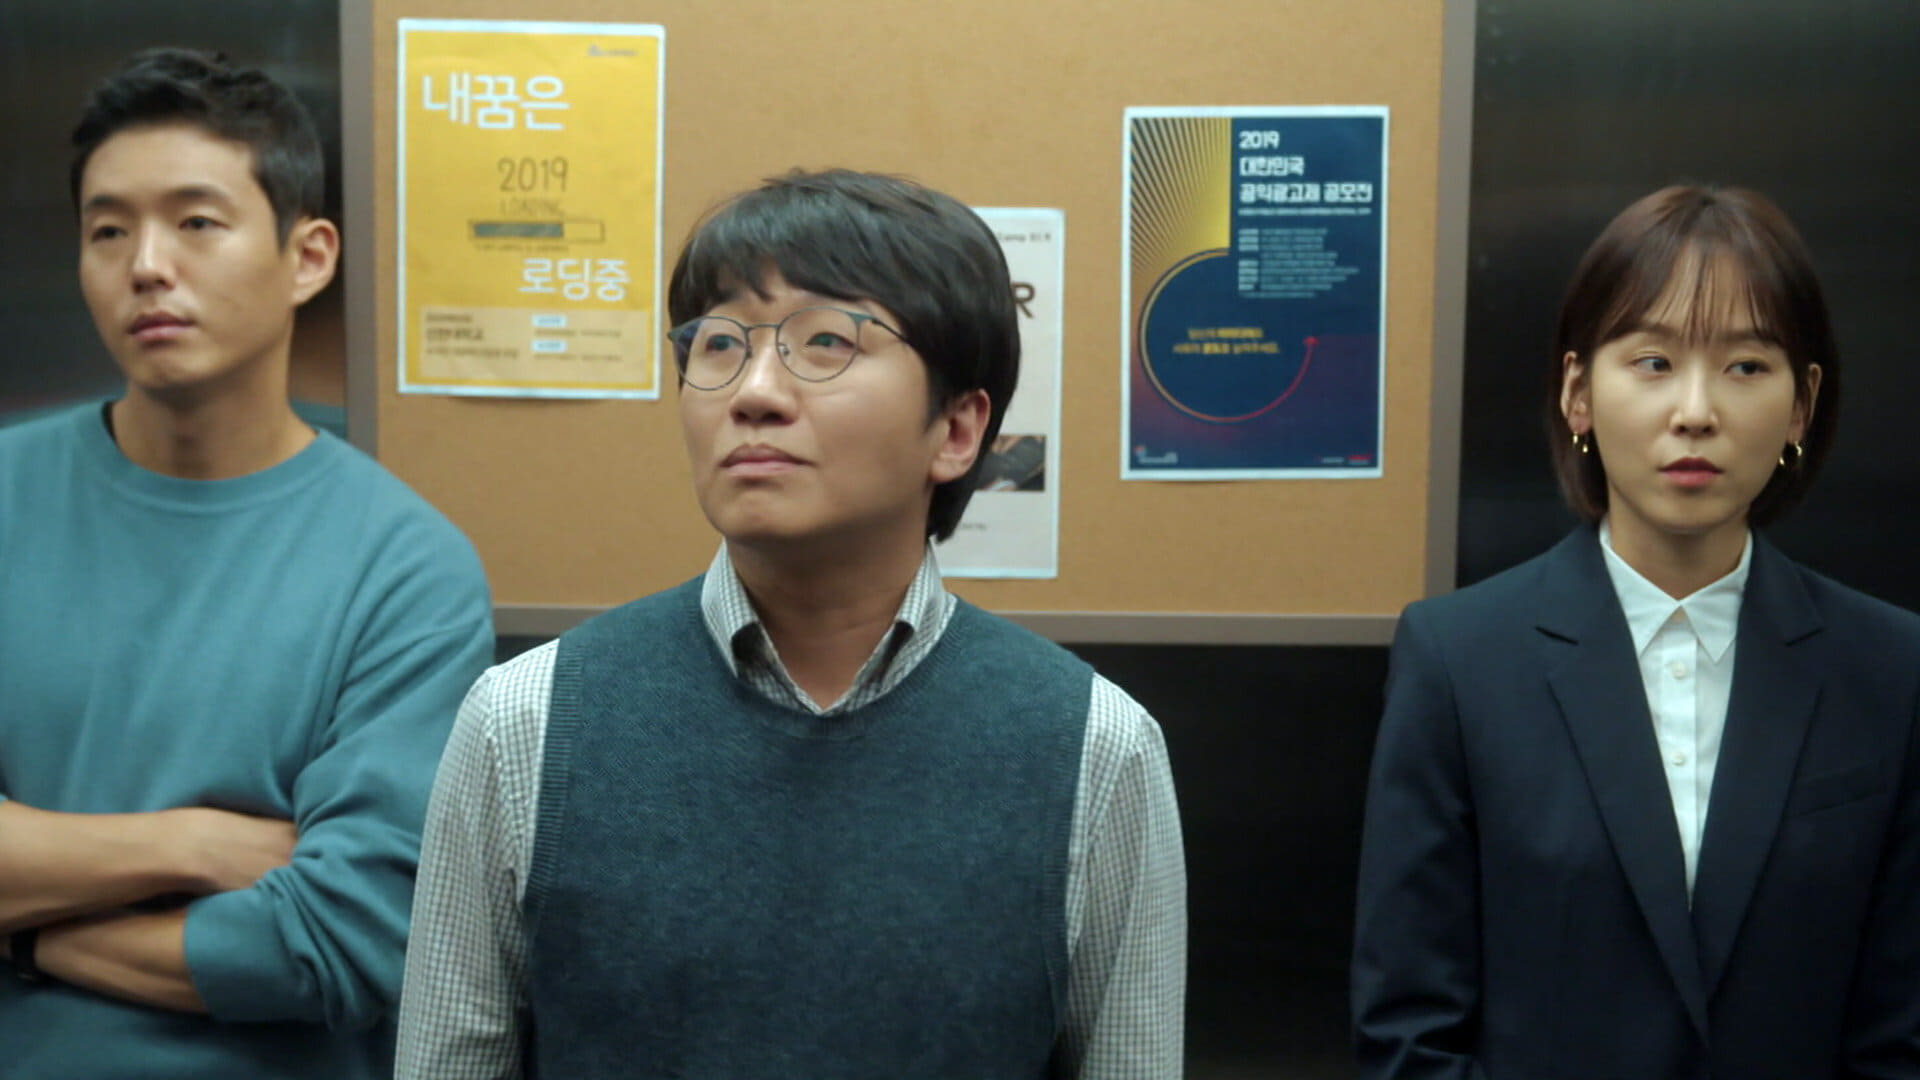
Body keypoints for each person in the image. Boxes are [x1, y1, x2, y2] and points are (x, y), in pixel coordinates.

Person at [394, 169, 1187, 1079]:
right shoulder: (526, 723)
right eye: (720, 344)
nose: (754, 391)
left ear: (957, 431)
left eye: (827, 341)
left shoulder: (1094, 747)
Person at [0, 48, 493, 1079]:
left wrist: (30, 937)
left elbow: (336, 943)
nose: (146, 265)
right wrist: (190, 844)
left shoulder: (406, 569)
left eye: (195, 222)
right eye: (107, 230)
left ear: (307, 257)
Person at [1351, 185, 1920, 1077]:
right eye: (1653, 361)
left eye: (1745, 366)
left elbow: (1899, 1033)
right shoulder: (1460, 661)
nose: (1695, 411)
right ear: (1578, 392)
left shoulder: (1891, 668)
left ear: (1802, 405)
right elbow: (1410, 1030)